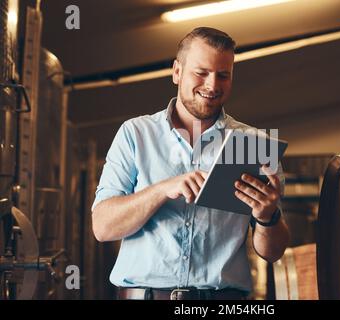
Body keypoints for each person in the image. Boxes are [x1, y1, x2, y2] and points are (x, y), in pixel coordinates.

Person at [91, 27, 290, 300]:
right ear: (177, 72)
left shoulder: (254, 144)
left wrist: (268, 217)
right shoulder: (136, 133)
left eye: (223, 75)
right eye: (201, 72)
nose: (212, 85)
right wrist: (162, 189)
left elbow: (273, 252)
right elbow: (103, 227)